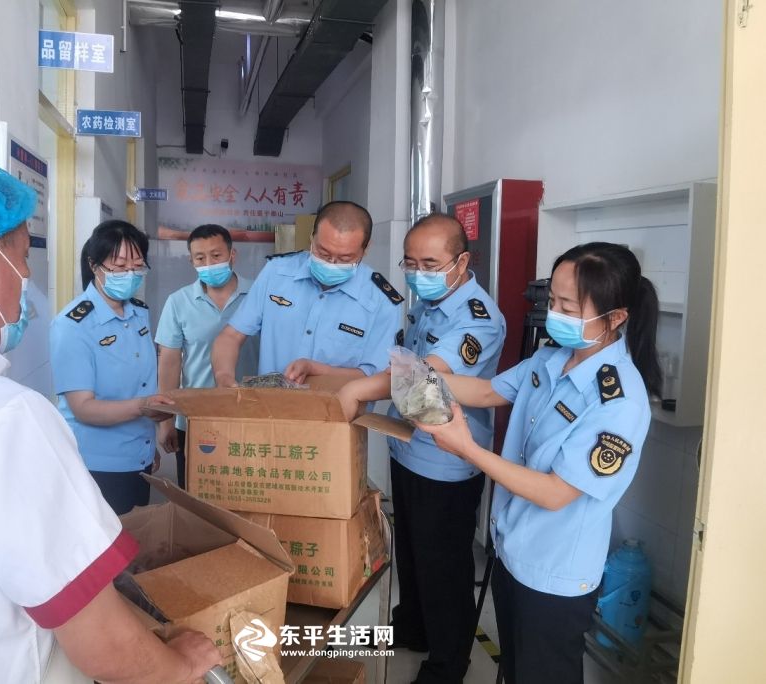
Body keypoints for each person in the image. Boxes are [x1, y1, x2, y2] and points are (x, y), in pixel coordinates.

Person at [0, 151, 220, 683]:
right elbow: (103, 642)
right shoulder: (2, 419)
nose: (27, 276)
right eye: (21, 258)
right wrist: (181, 664)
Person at [347, 242, 661, 684]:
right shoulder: (551, 358)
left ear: (616, 317)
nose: (554, 314)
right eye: (553, 301)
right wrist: (410, 376)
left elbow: (555, 493)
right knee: (516, 668)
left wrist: (468, 449)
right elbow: (486, 391)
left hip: (554, 570)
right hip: (513, 548)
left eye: (568, 307)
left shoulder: (619, 402)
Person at [338, 214, 506, 683]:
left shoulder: (477, 320)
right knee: (411, 554)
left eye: (429, 264)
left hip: (445, 464)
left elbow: (420, 375)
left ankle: (446, 666)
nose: (417, 273)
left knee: (443, 569)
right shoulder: (430, 304)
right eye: (410, 263)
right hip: (410, 450)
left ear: (461, 262)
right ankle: (412, 627)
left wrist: (356, 389)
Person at [50, 220, 172, 515]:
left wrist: (146, 446)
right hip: (96, 464)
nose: (130, 274)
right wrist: (143, 407)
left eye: (137, 266)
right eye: (119, 267)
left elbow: (142, 382)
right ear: (94, 266)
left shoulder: (139, 313)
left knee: (135, 535)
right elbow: (84, 408)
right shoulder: (72, 325)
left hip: (138, 458)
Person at [210, 200, 403, 386]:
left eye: (345, 258)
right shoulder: (276, 272)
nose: (331, 263)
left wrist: (317, 370)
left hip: (335, 408)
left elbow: (376, 378)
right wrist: (224, 377)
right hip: (269, 405)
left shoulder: (382, 303)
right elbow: (231, 336)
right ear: (312, 238)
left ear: (365, 249)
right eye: (323, 253)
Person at [154, 224, 258, 488]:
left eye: (216, 255)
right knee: (195, 496)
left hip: (251, 417)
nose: (209, 264)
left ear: (232, 255)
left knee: (247, 494)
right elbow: (169, 362)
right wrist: (166, 421)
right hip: (195, 419)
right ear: (191, 261)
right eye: (200, 258)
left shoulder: (258, 296)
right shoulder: (178, 302)